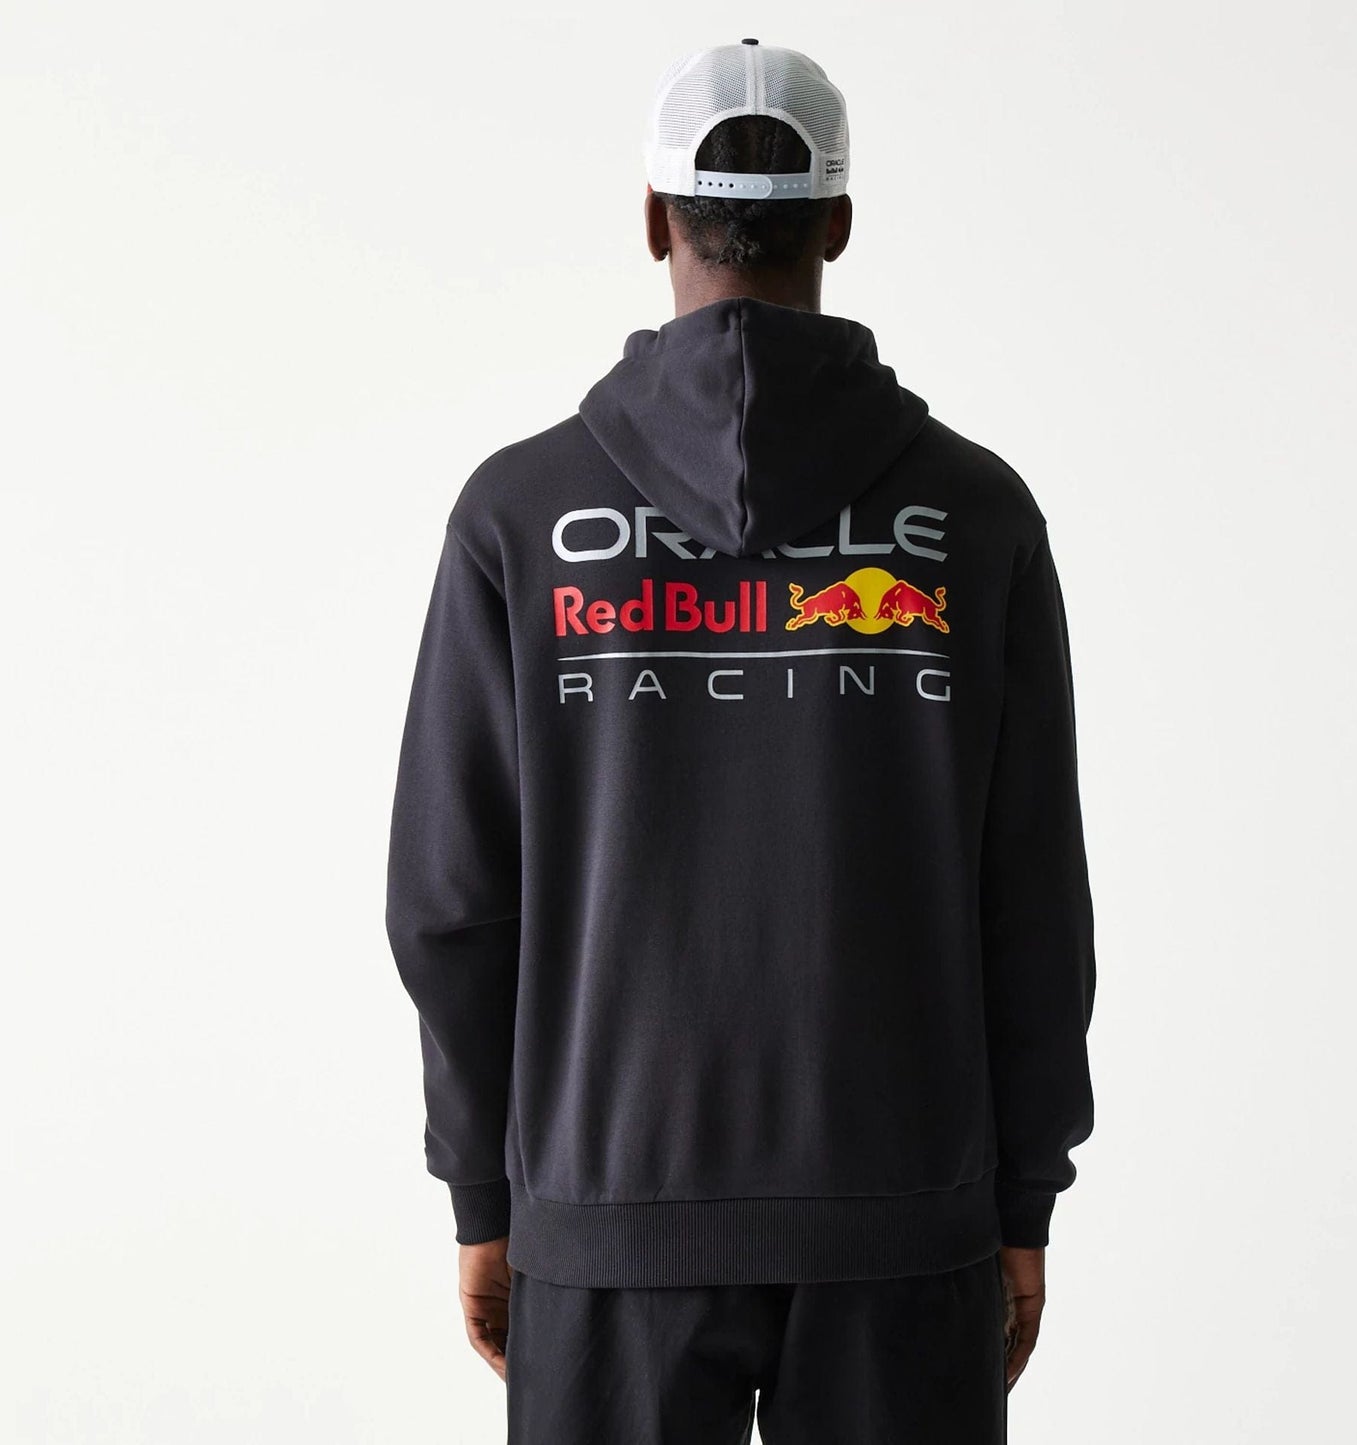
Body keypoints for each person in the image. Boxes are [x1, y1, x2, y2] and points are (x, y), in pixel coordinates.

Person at [386, 38, 1097, 1444]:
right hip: (904, 1209)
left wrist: (484, 1191)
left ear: (654, 217)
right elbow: (1032, 891)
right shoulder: (974, 513)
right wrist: (1022, 1197)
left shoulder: (521, 514)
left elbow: (452, 897)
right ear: (838, 222)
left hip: (607, 1209)